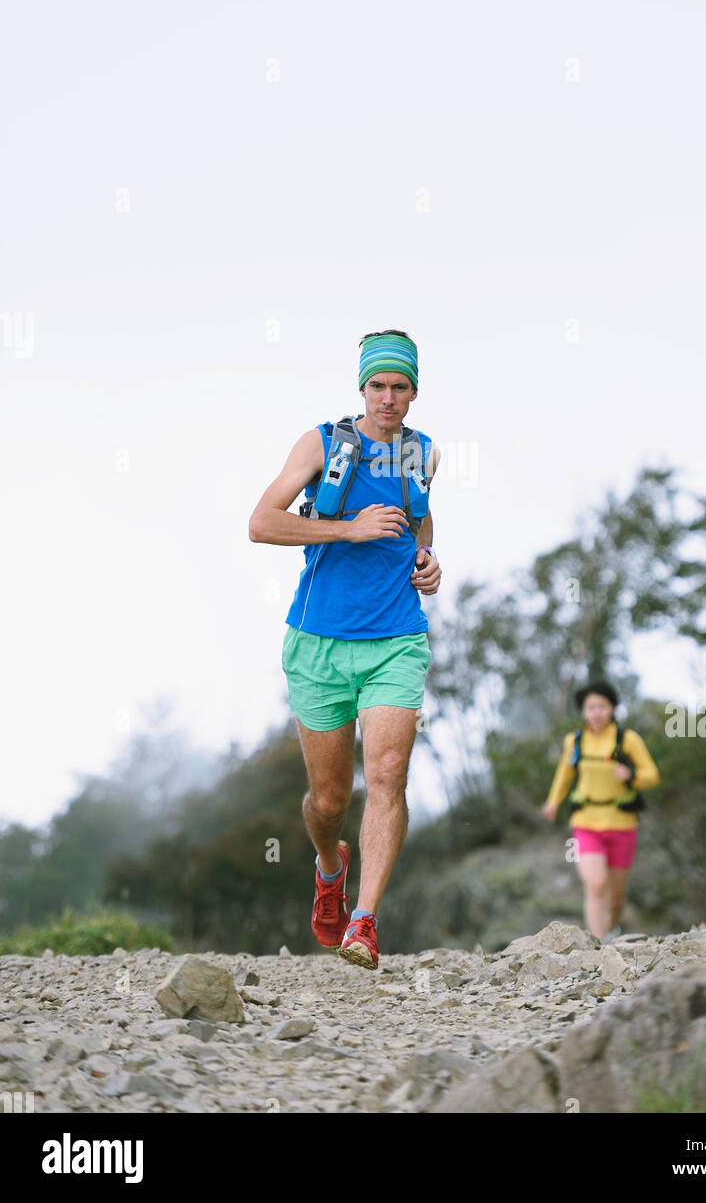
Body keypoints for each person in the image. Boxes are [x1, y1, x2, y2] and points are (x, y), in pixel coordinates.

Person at [248, 330, 441, 970]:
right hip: (318, 642)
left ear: (415, 391)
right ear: (363, 387)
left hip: (396, 639)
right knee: (329, 800)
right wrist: (349, 528)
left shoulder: (424, 454)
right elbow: (261, 522)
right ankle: (330, 868)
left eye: (401, 387)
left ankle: (364, 921)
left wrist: (428, 558)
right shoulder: (323, 445)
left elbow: (421, 518)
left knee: (387, 777)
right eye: (378, 385)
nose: (389, 398)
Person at [542, 681, 659, 942]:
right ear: (583, 711)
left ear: (613, 708)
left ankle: (613, 926)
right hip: (586, 822)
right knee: (595, 884)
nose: (596, 713)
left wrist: (631, 775)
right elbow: (564, 773)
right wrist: (552, 802)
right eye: (590, 707)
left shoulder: (627, 739)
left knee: (616, 896)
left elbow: (652, 776)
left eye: (601, 706)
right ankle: (599, 947)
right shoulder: (574, 741)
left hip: (622, 823)